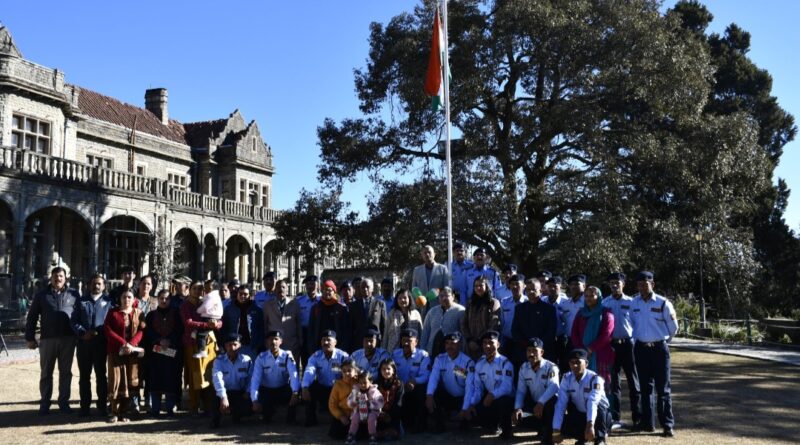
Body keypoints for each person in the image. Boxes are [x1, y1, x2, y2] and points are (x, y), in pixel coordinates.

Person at [25, 267, 80, 415]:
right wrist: (30, 338)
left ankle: (64, 402)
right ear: (51, 278)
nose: (58, 279)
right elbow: (32, 317)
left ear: (65, 278)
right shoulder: (42, 295)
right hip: (48, 339)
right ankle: (45, 403)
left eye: (61, 276)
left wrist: (79, 334)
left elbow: (80, 315)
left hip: (68, 339)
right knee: (46, 372)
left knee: (66, 373)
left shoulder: (74, 294)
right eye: (55, 276)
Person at [630, 271, 678, 437]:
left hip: (659, 349)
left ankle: (667, 425)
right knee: (645, 388)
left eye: (646, 283)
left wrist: (664, 341)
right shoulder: (633, 303)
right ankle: (647, 423)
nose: (643, 287)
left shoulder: (663, 303)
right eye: (640, 284)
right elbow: (632, 323)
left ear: (653, 284)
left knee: (663, 389)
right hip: (641, 349)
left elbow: (674, 327)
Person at [601, 272, 641, 427]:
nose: (614, 285)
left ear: (623, 284)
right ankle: (615, 418)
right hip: (612, 346)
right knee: (613, 383)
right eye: (612, 283)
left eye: (617, 282)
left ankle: (637, 417)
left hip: (628, 345)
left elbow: (637, 323)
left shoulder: (631, 302)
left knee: (633, 382)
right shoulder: (605, 303)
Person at [552, 349, 612, 445]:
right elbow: (561, 404)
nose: (575, 365)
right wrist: (556, 430)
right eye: (572, 362)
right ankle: (583, 438)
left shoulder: (595, 379)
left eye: (578, 362)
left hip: (599, 418)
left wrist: (590, 424)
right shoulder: (566, 378)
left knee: (599, 404)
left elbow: (593, 402)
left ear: (586, 363)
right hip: (581, 415)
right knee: (564, 411)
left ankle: (600, 439)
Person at [461, 330, 514, 439]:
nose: (487, 346)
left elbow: (507, 388)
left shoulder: (505, 363)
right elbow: (478, 388)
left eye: (491, 342)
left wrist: (493, 395)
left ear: (498, 344)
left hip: (505, 400)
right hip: (489, 400)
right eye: (484, 343)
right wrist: (472, 403)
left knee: (503, 401)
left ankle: (507, 430)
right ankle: (492, 424)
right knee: (473, 413)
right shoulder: (480, 363)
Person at [72, 273, 112, 417]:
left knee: (101, 376)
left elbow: (111, 323)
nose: (96, 286)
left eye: (99, 283)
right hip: (84, 344)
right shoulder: (81, 301)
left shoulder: (109, 302)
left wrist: (98, 333)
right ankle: (84, 407)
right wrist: (83, 333)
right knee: (84, 377)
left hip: (101, 344)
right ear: (90, 285)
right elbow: (74, 321)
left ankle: (102, 406)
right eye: (94, 283)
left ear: (104, 286)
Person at [104, 289, 146, 423]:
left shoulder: (139, 313)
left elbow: (141, 331)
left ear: (134, 299)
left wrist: (131, 345)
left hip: (132, 353)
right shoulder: (113, 313)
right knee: (116, 381)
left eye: (129, 297)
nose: (126, 299)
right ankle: (114, 412)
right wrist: (123, 343)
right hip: (116, 352)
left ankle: (125, 411)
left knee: (129, 382)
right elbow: (107, 330)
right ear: (120, 299)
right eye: (124, 297)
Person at [180, 281, 222, 415]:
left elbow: (220, 318)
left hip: (209, 343)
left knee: (209, 373)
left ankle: (209, 406)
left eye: (200, 289)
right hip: (192, 344)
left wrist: (216, 324)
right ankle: (194, 407)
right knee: (195, 375)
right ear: (189, 290)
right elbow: (188, 322)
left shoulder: (208, 301)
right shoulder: (185, 305)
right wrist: (207, 325)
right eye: (195, 289)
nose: (198, 291)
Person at [144, 289, 183, 417]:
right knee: (155, 380)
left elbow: (179, 331)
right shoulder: (151, 315)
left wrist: (169, 341)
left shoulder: (177, 314)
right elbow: (148, 332)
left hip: (172, 353)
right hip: (155, 353)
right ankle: (155, 409)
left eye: (166, 298)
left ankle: (170, 409)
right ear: (157, 299)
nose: (164, 301)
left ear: (170, 300)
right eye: (161, 298)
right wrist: (160, 341)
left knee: (170, 380)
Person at [513, 338, 559, 444]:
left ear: (542, 352)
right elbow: (521, 391)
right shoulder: (523, 368)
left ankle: (548, 436)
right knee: (518, 415)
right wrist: (517, 408)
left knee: (550, 404)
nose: (531, 354)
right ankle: (541, 427)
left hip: (548, 404)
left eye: (534, 350)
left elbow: (554, 387)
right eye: (529, 351)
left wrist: (541, 402)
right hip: (535, 404)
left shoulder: (551, 367)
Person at [425, 331, 473, 433]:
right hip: (448, 396)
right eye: (447, 343)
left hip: (463, 397)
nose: (449, 346)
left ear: (459, 344)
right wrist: (429, 395)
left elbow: (470, 387)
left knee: (465, 428)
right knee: (434, 394)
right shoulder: (440, 359)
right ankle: (439, 424)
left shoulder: (468, 362)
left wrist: (465, 408)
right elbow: (433, 378)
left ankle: (465, 418)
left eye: (453, 343)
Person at [302, 330, 350, 426]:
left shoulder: (343, 357)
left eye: (329, 340)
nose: (326, 343)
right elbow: (309, 371)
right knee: (310, 388)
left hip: (338, 390)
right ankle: (311, 420)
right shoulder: (316, 356)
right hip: (323, 388)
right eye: (323, 340)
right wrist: (304, 387)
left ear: (335, 342)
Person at [251, 330, 301, 424]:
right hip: (267, 390)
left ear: (281, 341)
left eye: (276, 339)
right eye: (270, 339)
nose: (273, 342)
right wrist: (254, 399)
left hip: (282, 389)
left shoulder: (287, 356)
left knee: (296, 390)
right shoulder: (261, 358)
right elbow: (255, 379)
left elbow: (294, 375)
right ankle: (267, 414)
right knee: (266, 418)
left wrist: (295, 393)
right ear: (266, 342)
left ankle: (291, 418)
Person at [571, 286, 615, 385]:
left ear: (599, 297)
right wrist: (581, 350)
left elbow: (607, 335)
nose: (588, 298)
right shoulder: (581, 313)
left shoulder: (606, 313)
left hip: (601, 354)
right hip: (582, 355)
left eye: (592, 296)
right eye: (586, 296)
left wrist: (590, 349)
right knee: (584, 383)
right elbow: (574, 333)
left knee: (601, 384)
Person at [392, 328, 431, 433]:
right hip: (400, 387)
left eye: (409, 341)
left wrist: (414, 381)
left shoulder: (423, 355)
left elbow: (426, 375)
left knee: (421, 392)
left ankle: (419, 426)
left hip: (414, 387)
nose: (405, 343)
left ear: (416, 342)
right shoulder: (395, 354)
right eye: (403, 340)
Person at [211, 333, 254, 428]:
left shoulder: (246, 360)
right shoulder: (219, 361)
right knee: (216, 401)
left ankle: (237, 415)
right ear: (225, 346)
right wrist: (223, 397)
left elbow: (252, 378)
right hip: (225, 392)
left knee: (249, 405)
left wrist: (248, 392)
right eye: (229, 345)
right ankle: (215, 421)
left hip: (240, 393)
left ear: (240, 346)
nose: (232, 348)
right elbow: (217, 379)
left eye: (235, 344)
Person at [512, 278, 557, 366]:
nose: (531, 292)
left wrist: (538, 346)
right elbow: (515, 330)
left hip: (543, 351)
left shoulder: (549, 309)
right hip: (523, 351)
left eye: (534, 289)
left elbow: (551, 331)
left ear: (540, 291)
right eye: (528, 289)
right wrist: (527, 345)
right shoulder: (520, 308)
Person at [264, 279, 303, 366]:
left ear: (287, 289)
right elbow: (265, 325)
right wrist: (266, 342)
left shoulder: (295, 304)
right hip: (274, 345)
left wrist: (300, 342)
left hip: (292, 344)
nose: (280, 289)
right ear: (274, 290)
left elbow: (298, 325)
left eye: (283, 287)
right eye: (278, 287)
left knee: (292, 373)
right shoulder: (268, 305)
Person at [461, 275, 501, 360]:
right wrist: (470, 340)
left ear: (486, 287)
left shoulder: (493, 303)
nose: (478, 288)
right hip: (470, 345)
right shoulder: (470, 303)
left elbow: (494, 325)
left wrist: (480, 341)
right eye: (476, 286)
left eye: (481, 285)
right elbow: (464, 323)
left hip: (486, 345)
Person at [222, 284, 265, 359]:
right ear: (237, 294)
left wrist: (258, 345)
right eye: (240, 294)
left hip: (251, 347)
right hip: (233, 346)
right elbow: (224, 328)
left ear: (250, 295)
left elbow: (261, 329)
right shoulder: (229, 309)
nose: (242, 296)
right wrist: (225, 344)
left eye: (245, 294)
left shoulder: (257, 310)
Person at [420, 287, 465, 356]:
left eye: (447, 296)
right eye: (441, 296)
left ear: (453, 296)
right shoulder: (432, 312)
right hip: (433, 351)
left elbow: (464, 334)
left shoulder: (461, 311)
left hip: (452, 353)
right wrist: (422, 350)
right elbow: (425, 333)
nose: (444, 298)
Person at [310, 280, 352, 352]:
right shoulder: (316, 308)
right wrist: (312, 347)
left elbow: (346, 329)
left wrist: (343, 347)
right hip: (319, 346)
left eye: (330, 290)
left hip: (337, 346)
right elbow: (311, 329)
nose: (327, 292)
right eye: (325, 290)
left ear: (334, 292)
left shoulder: (341, 308)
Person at [349, 277, 388, 353]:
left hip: (376, 341)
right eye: (363, 287)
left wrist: (383, 342)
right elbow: (350, 327)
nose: (365, 289)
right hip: (359, 343)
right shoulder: (353, 306)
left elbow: (384, 326)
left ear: (372, 289)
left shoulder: (380, 304)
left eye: (367, 287)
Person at [346, 371, 385, 445]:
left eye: (365, 382)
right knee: (355, 417)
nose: (362, 385)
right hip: (359, 411)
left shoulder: (374, 391)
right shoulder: (355, 391)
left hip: (372, 411)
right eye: (360, 383)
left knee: (371, 418)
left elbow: (380, 402)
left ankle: (372, 435)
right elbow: (349, 402)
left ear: (370, 381)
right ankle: (351, 435)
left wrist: (369, 403)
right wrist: (355, 400)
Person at [557, 274, 586, 373]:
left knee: (583, 369)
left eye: (577, 284)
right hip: (570, 341)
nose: (574, 286)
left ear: (584, 286)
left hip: (584, 341)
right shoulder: (565, 304)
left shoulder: (588, 302)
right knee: (568, 369)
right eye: (571, 284)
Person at [499, 273, 528, 367]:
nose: (515, 287)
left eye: (517, 284)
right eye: (512, 284)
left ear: (524, 286)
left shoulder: (528, 302)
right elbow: (501, 321)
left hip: (522, 342)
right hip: (507, 340)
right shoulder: (504, 302)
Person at [328, 358, 359, 439]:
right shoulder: (338, 384)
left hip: (356, 414)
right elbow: (332, 404)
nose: (347, 373)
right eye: (344, 371)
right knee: (337, 434)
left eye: (349, 370)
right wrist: (340, 416)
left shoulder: (359, 382)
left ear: (355, 371)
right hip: (343, 413)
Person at [375, 358, 404, 440]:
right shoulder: (376, 384)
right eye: (383, 369)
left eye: (388, 369)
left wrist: (389, 415)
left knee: (395, 433)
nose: (386, 371)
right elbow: (374, 401)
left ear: (393, 370)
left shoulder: (399, 384)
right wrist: (381, 413)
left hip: (393, 414)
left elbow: (398, 402)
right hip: (380, 414)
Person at [194, 280, 224, 358]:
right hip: (212, 318)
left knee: (201, 334)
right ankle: (220, 348)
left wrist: (198, 310)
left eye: (207, 287)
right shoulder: (211, 296)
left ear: (212, 288)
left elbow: (205, 307)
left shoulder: (212, 296)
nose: (205, 289)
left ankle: (202, 350)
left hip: (210, 318)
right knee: (217, 335)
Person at [297, 275, 321, 361]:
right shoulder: (299, 301)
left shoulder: (322, 300)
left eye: (312, 284)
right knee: (305, 358)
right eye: (308, 284)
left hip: (319, 332)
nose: (310, 286)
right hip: (304, 333)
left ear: (317, 285)